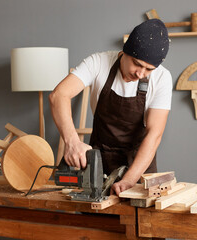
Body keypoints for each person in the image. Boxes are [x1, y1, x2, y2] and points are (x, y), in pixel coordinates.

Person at [49, 19, 172, 195]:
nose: (140, 73)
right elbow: (58, 95)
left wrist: (129, 179)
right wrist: (72, 142)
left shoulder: (162, 78)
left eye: (148, 69)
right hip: (99, 162)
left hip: (138, 165)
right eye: (137, 63)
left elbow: (154, 135)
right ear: (124, 52)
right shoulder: (98, 63)